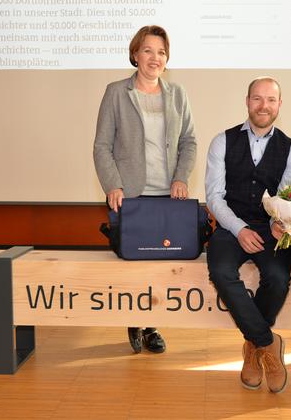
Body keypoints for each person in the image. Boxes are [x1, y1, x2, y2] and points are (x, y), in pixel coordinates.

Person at [93, 25, 197, 354]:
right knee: (134, 264)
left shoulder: (177, 94)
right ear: (135, 54)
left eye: (162, 52)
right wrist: (113, 185)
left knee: (160, 265)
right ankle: (133, 318)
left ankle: (151, 325)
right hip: (131, 194)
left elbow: (189, 141)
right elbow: (101, 146)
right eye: (149, 50)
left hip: (167, 195)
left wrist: (181, 177)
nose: (155, 58)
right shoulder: (115, 92)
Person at [205, 77, 291, 394]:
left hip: (270, 227)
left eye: (270, 100)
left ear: (279, 104)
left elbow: (287, 200)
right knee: (220, 271)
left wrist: (280, 223)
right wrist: (239, 228)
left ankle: (251, 349)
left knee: (277, 278)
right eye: (257, 99)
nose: (264, 106)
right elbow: (214, 197)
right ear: (247, 101)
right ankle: (267, 342)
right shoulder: (222, 141)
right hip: (231, 223)